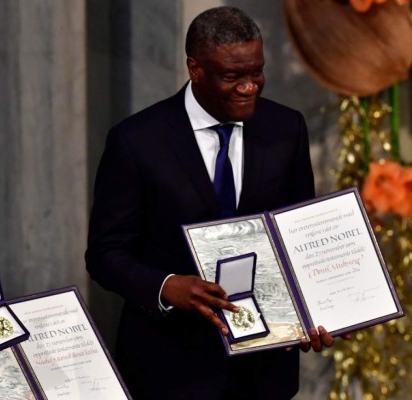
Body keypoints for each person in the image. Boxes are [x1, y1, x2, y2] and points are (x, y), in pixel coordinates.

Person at [86, 7, 335, 399]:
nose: (249, 87)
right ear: (195, 69)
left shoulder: (286, 128)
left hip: (264, 369)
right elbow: (104, 253)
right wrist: (167, 287)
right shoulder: (136, 141)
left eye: (257, 72)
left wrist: (313, 312)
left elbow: (297, 236)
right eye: (232, 76)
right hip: (170, 368)